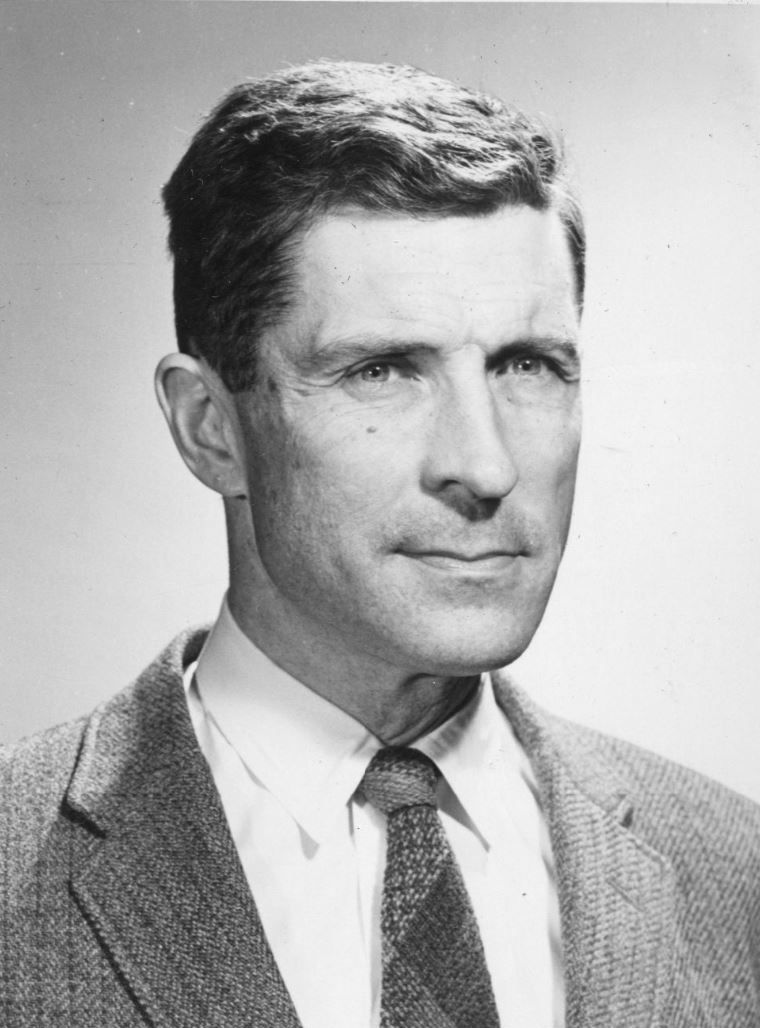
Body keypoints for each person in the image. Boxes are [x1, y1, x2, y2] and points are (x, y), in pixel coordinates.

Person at [1, 60, 758, 1028]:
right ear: (209, 427)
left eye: (527, 365)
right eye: (383, 370)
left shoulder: (735, 872)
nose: (484, 466)